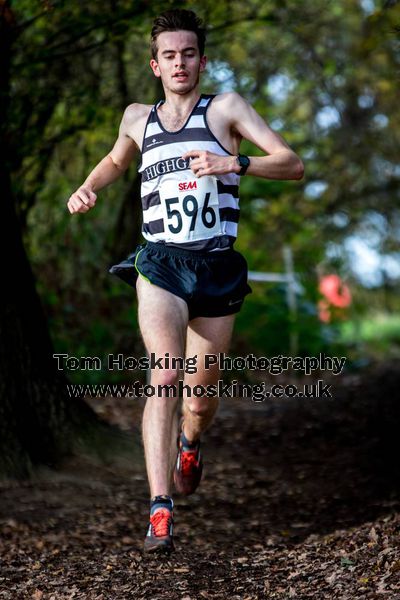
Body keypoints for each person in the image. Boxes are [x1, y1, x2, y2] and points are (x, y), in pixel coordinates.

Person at [67, 8, 304, 555]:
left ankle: (191, 446)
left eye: (189, 53)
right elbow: (114, 161)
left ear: (202, 60)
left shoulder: (226, 109)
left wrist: (233, 166)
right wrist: (87, 187)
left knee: (198, 402)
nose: (180, 63)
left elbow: (291, 164)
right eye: (170, 55)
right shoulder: (135, 118)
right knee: (165, 376)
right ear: (156, 64)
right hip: (161, 264)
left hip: (216, 267)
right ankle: (158, 510)